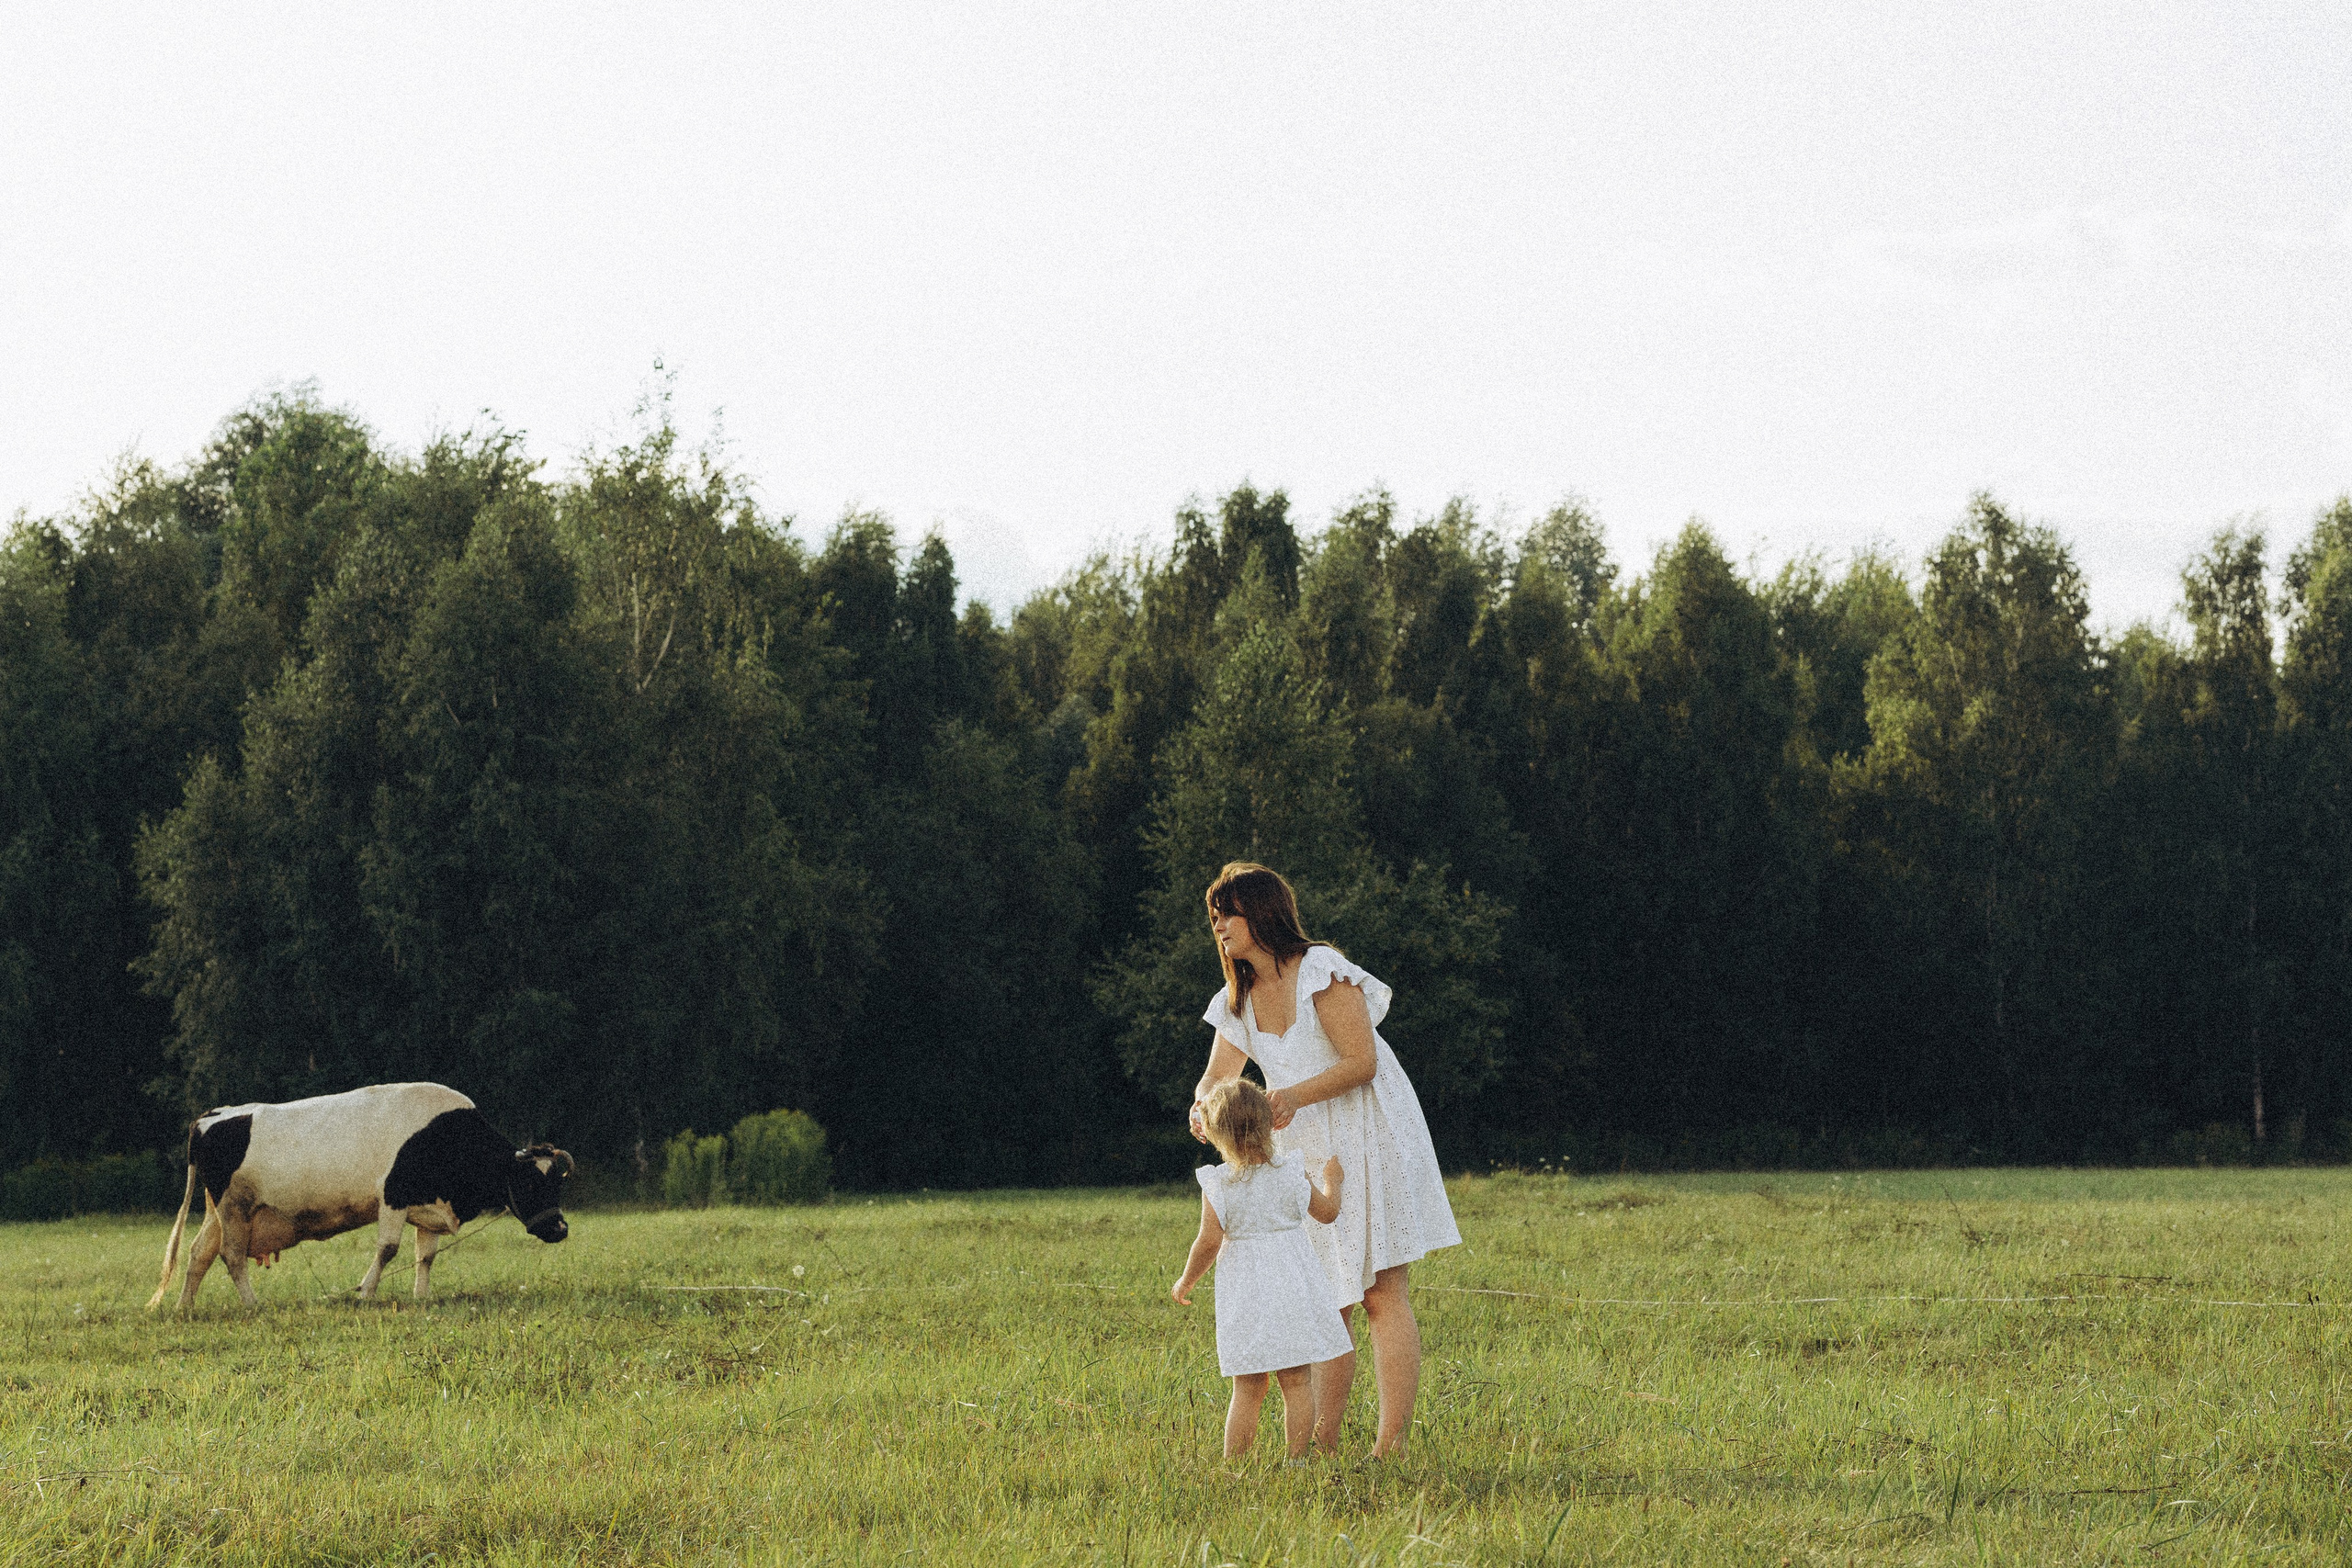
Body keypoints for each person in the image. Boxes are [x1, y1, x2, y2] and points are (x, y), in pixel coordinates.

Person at [1189, 862, 1461, 1459]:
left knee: (1381, 1291)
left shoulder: (1320, 969)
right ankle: (1321, 1441)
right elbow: (1217, 1075)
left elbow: (1361, 1059)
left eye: (1226, 914)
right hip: (1301, 1146)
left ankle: (1390, 1446)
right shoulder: (1236, 999)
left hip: (1367, 1126)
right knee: (1321, 1295)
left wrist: (1288, 1096)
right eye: (1214, 918)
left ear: (1259, 912)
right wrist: (1201, 1105)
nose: (1219, 928)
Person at [1171, 1076, 1351, 1461]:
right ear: (1269, 1124)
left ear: (1217, 1135)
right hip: (1292, 1290)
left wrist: (1187, 1280)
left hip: (1246, 1295)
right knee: (1297, 1380)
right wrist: (1332, 1180)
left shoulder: (1219, 1185)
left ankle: (1235, 1465)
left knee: (1248, 1386)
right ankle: (1297, 1460)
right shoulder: (1290, 1173)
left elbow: (1208, 1242)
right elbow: (1328, 1212)